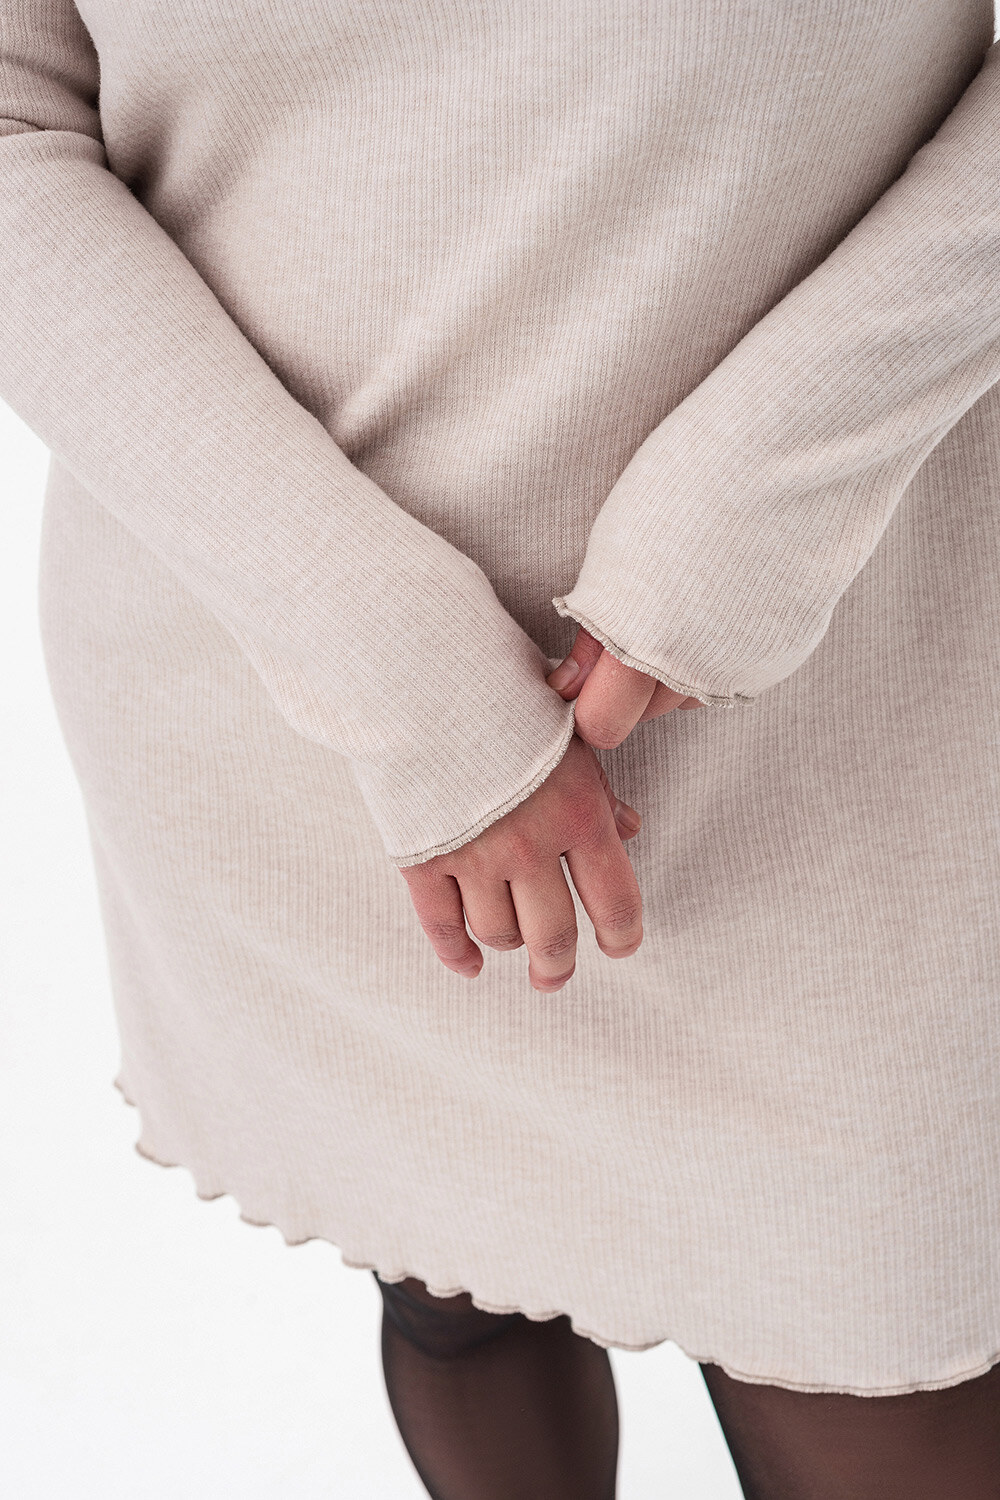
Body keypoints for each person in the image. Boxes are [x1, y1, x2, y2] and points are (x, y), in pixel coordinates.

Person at [2, 0, 999, 1494]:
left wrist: (744, 515)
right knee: (451, 1295)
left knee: (877, 1348)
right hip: (290, 705)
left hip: (846, 705)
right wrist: (394, 667)